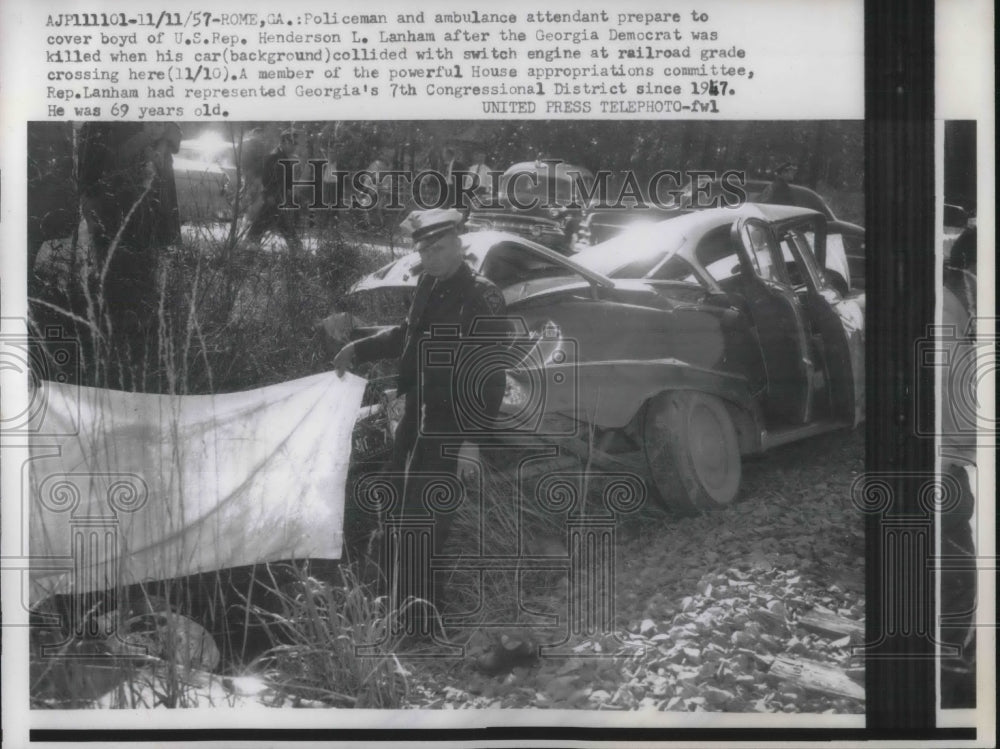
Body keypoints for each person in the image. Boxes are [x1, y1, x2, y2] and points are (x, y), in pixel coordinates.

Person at [332, 209, 532, 672]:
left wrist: (468, 441)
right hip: (417, 415)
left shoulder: (482, 298)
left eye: (439, 247)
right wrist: (358, 348)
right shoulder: (428, 285)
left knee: (425, 520)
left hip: (450, 423)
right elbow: (408, 336)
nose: (430, 255)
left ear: (460, 245)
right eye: (423, 249)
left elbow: (489, 377)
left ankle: (423, 624)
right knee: (394, 507)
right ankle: (394, 608)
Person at [77, 121, 182, 339]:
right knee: (113, 270)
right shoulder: (101, 123)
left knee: (145, 270)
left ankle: (139, 332)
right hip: (115, 203)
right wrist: (147, 138)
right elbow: (109, 158)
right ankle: (114, 332)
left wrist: (159, 145)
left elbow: (173, 130)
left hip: (148, 206)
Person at [245, 129, 303, 254]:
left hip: (278, 198)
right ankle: (297, 249)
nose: (295, 146)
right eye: (293, 142)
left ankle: (249, 245)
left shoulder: (283, 157)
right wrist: (270, 195)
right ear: (284, 142)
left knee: (267, 223)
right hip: (273, 198)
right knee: (278, 224)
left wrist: (290, 192)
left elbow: (286, 181)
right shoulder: (274, 157)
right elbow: (267, 178)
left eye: (296, 143)